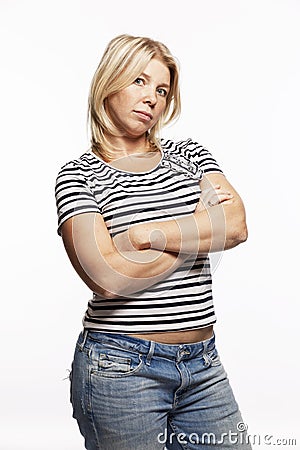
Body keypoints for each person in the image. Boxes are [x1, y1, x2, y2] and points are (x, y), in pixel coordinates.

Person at [55, 34, 251, 450]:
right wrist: (199, 227)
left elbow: (234, 226)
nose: (153, 98)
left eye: (162, 89)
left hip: (203, 365)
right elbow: (107, 277)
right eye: (140, 82)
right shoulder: (79, 176)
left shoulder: (190, 154)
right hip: (120, 368)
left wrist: (144, 236)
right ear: (110, 82)